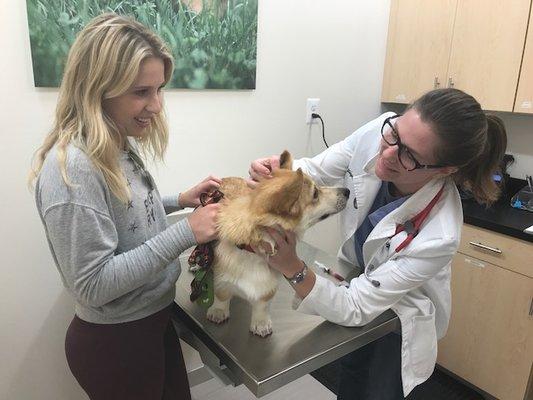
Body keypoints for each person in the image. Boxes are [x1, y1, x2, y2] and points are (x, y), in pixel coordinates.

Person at [248, 88, 507, 399]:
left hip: (402, 313)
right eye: (394, 134)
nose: (386, 154)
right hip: (357, 277)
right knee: (351, 372)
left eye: (409, 156)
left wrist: (293, 267)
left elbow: (357, 306)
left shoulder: (439, 234)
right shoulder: (380, 129)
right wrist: (278, 170)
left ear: (445, 170)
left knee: (380, 389)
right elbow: (315, 169)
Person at [29, 13, 221, 400]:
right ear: (97, 89)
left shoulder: (115, 143)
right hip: (116, 345)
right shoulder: (72, 169)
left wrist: (179, 200)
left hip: (151, 324)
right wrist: (186, 232)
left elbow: (126, 212)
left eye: (159, 89)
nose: (156, 105)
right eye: (140, 92)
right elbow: (93, 284)